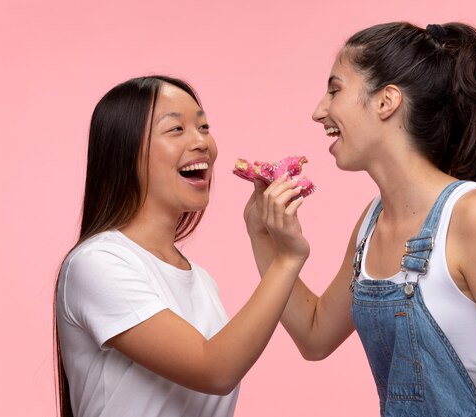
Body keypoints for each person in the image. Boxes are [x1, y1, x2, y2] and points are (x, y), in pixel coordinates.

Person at [245, 22, 476, 417]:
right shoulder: (372, 224)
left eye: (335, 90)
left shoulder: (475, 218)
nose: (319, 110)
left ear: (386, 101)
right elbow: (315, 335)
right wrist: (262, 235)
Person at [55, 75, 309, 417]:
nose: (202, 142)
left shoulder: (201, 280)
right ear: (125, 150)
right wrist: (288, 258)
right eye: (176, 130)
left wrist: (264, 237)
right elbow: (214, 370)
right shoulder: (97, 264)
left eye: (204, 127)